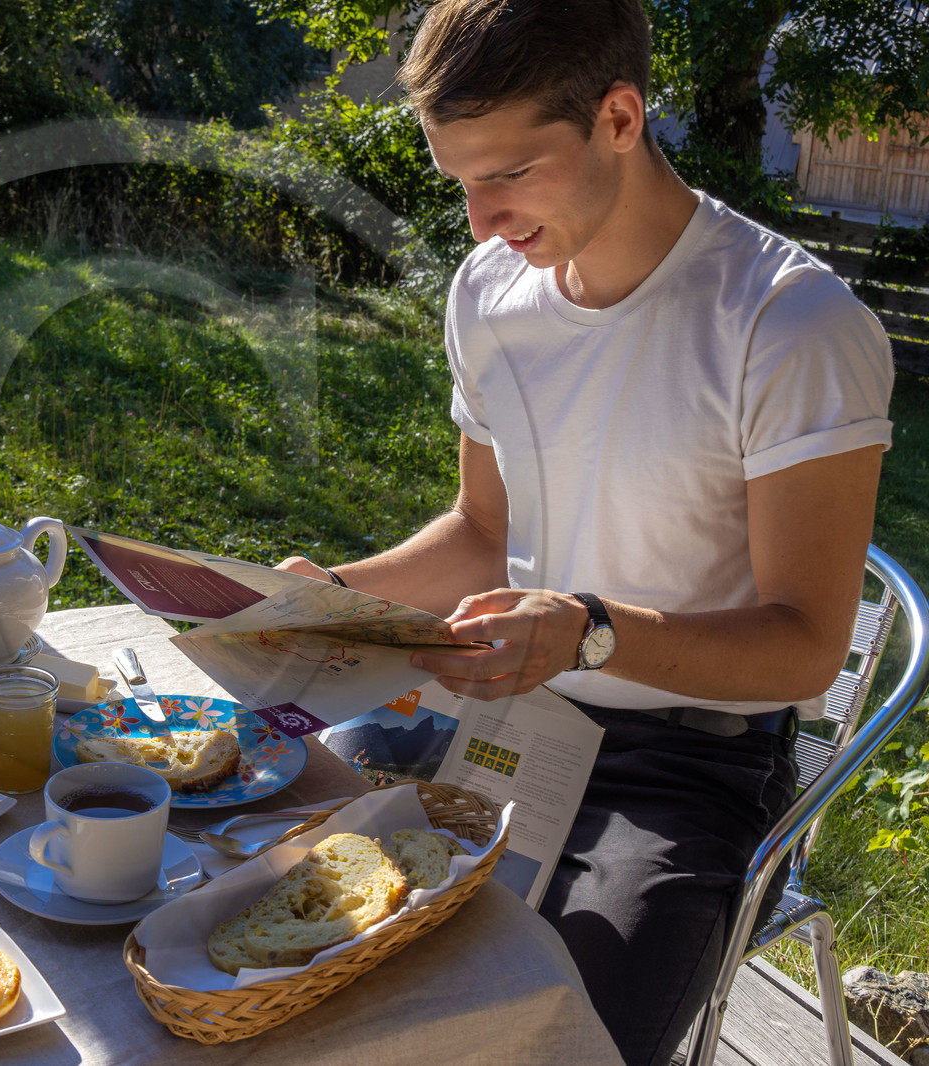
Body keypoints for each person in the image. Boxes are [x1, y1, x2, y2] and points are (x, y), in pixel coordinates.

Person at [278, 0, 893, 1061]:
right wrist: (321, 595)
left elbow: (803, 645)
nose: (479, 221)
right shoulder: (490, 292)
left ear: (618, 115)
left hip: (684, 767)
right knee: (259, 889)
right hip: (504, 721)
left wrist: (590, 629)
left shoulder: (788, 321)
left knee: (546, 1040)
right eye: (460, 181)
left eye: (508, 175)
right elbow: (482, 531)